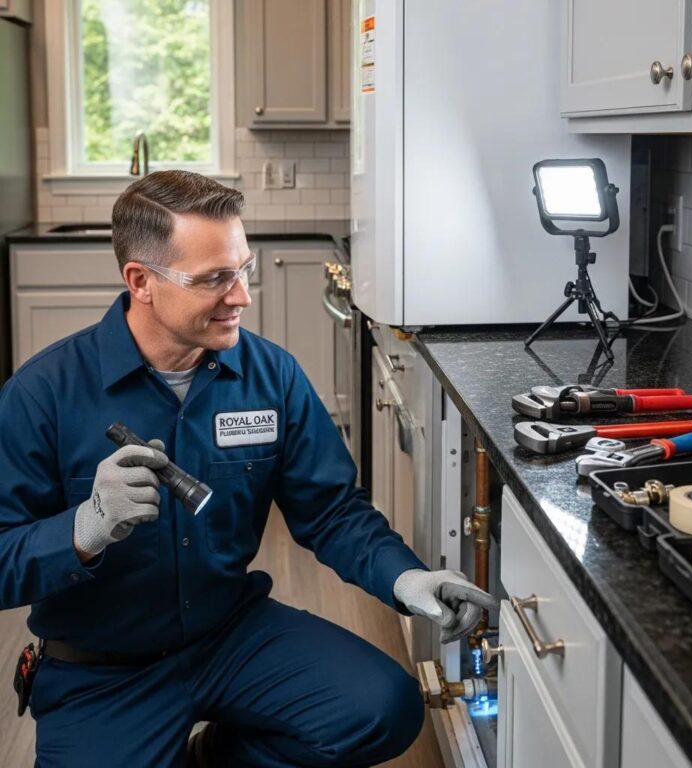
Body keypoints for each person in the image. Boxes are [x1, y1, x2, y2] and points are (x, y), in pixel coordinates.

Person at [0, 170, 497, 768]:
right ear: (141, 281)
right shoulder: (42, 393)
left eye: (244, 269)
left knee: (383, 709)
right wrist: (82, 530)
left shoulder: (271, 377)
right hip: (104, 671)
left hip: (230, 635)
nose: (242, 296)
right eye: (214, 278)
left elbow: (332, 510)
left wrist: (406, 579)